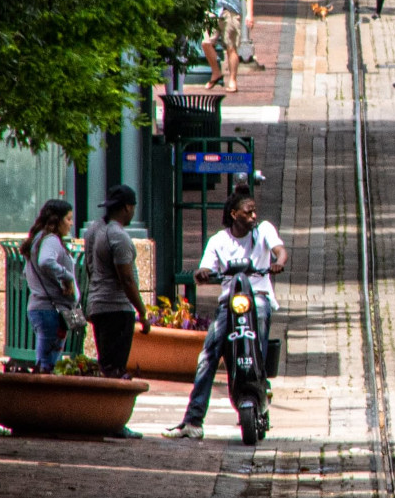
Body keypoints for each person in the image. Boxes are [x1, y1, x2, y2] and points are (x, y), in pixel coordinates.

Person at [163, 187, 289, 440]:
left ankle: (261, 378)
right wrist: (203, 273)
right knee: (209, 353)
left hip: (258, 298)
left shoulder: (263, 230)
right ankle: (193, 420)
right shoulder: (219, 241)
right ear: (234, 214)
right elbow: (205, 267)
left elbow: (279, 250)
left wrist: (278, 263)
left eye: (254, 212)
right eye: (248, 212)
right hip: (228, 304)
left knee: (261, 319)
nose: (253, 216)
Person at [82, 184, 149, 377]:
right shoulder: (118, 236)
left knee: (106, 364)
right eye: (133, 207)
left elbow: (89, 267)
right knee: (115, 368)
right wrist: (142, 312)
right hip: (117, 308)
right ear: (127, 207)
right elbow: (126, 279)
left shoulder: (94, 230)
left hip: (98, 305)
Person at [22, 199, 78, 373]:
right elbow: (46, 261)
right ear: (57, 220)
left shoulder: (37, 239)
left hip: (42, 308)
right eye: (68, 219)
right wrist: (67, 277)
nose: (71, 223)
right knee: (47, 364)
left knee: (46, 359)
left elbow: (27, 271)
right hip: (52, 310)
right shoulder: (51, 240)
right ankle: (41, 398)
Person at [202, 0, 243, 93]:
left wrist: (249, 14)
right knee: (206, 42)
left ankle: (233, 80)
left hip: (231, 10)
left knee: (231, 47)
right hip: (213, 9)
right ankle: (216, 72)